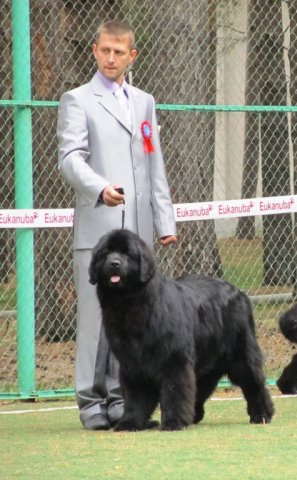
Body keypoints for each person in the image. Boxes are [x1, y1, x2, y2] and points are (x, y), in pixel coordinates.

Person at [57, 20, 177, 430]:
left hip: (137, 240)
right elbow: (70, 158)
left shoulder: (144, 101)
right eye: (105, 50)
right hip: (99, 233)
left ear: (132, 56)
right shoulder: (77, 100)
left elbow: (152, 160)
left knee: (132, 325)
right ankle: (91, 404)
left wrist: (165, 219)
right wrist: (99, 187)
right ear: (95, 51)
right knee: (96, 323)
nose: (111, 58)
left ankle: (119, 399)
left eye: (119, 52)